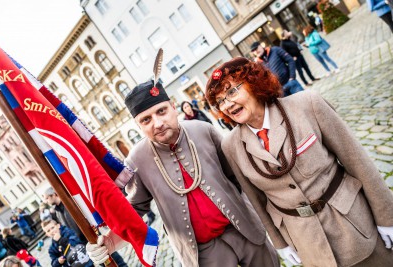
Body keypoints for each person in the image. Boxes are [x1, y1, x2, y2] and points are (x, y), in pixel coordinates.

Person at [205, 57, 393, 267]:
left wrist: (387, 217)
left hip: (354, 225)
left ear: (253, 82)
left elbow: (358, 162)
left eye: (232, 92)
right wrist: (280, 243)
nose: (227, 104)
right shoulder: (231, 146)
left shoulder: (307, 104)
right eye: (220, 101)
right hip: (307, 243)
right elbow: (257, 200)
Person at [86, 79, 279, 267]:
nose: (158, 123)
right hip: (202, 252)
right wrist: (112, 241)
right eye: (146, 120)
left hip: (244, 230)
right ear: (139, 126)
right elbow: (134, 210)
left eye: (161, 111)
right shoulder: (136, 159)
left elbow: (236, 177)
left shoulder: (203, 129)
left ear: (173, 106)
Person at [43, 188, 127, 267]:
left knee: (112, 257)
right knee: (102, 263)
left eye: (47, 198)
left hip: (91, 237)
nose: (46, 201)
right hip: (81, 245)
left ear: (53, 195)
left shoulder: (69, 202)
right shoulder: (57, 213)